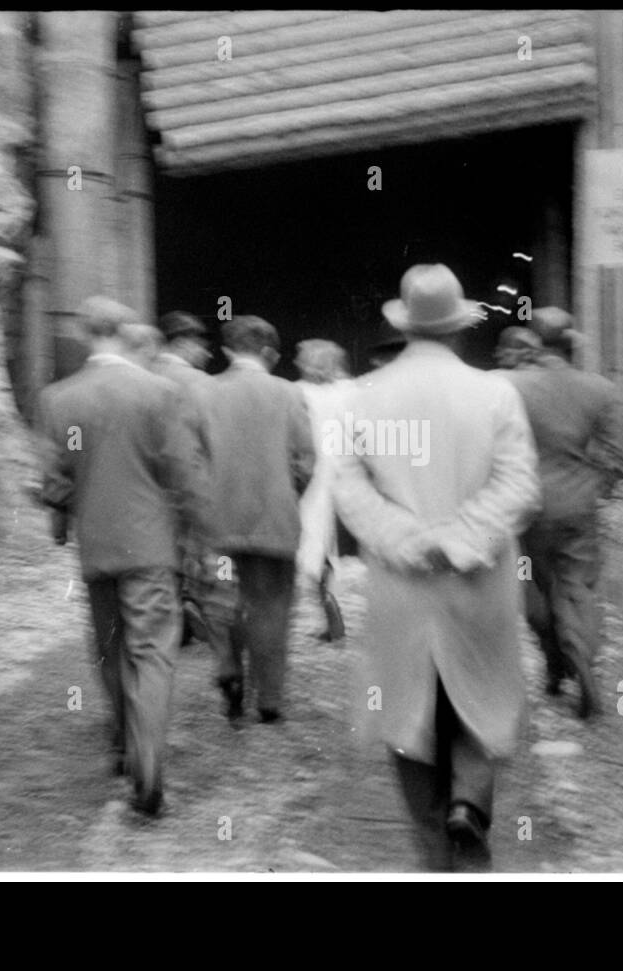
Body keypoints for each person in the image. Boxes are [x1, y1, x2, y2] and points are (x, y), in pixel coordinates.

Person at [333, 264, 541, 871]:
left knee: (409, 709)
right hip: (480, 580)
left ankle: (434, 850)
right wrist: (463, 536)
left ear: (405, 324)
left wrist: (406, 538)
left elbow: (349, 488)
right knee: (482, 697)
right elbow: (520, 485)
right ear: (457, 330)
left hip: (402, 584)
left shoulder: (363, 398)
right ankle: (470, 805)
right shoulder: (496, 392)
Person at [37, 296, 209, 817]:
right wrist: (198, 536)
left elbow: (55, 481)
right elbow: (183, 473)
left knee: (109, 649)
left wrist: (61, 524)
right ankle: (149, 762)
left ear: (88, 334)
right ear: (125, 330)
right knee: (153, 652)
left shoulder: (59, 400)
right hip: (152, 547)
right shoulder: (158, 393)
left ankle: (121, 735)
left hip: (97, 547)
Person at [499, 306, 619, 719]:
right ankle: (580, 653)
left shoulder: (510, 385)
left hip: (529, 510)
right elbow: (613, 458)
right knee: (578, 587)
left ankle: (553, 661)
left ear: (534, 344)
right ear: (571, 345)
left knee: (533, 587)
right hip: (579, 509)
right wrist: (598, 488)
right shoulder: (600, 389)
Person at [202, 315, 315, 723]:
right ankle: (268, 702)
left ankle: (229, 669)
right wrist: (288, 490)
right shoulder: (288, 393)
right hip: (273, 519)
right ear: (268, 352)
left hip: (217, 520)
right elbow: (306, 458)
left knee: (225, 600)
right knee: (271, 606)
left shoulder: (205, 392)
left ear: (227, 350)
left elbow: (191, 458)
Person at [152, 311, 219, 648]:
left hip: (150, 485)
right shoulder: (201, 384)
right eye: (198, 344)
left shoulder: (141, 374)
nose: (205, 353)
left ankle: (169, 617)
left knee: (161, 554)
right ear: (180, 343)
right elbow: (215, 439)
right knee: (202, 548)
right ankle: (195, 608)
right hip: (193, 478)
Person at [293, 339, 352, 643]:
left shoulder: (297, 392)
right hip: (346, 473)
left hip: (312, 472)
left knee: (314, 543)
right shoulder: (350, 391)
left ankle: (329, 612)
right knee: (327, 544)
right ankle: (331, 610)